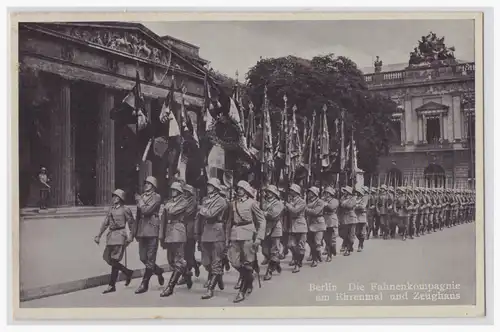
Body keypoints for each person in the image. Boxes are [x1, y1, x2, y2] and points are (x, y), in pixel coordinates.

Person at [228, 180, 266, 303]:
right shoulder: (232, 204)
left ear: (246, 191)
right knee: (234, 261)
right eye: (238, 188)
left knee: (247, 264)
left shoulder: (252, 203)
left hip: (248, 234)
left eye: (241, 189)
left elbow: (262, 221)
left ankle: (242, 292)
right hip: (235, 234)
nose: (238, 190)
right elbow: (229, 222)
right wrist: (226, 237)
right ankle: (249, 278)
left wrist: (259, 238)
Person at [94, 189, 134, 294]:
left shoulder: (125, 209)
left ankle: (112, 285)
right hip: (111, 236)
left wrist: (131, 236)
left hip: (120, 235)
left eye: (116, 197)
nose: (113, 198)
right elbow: (105, 223)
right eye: (113, 196)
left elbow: (131, 223)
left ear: (120, 199)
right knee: (107, 257)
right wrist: (99, 235)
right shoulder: (110, 210)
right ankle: (127, 272)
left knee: (114, 260)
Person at [195, 177, 229, 300]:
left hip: (217, 231)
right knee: (205, 262)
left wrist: (200, 209)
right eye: (208, 185)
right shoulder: (205, 200)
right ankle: (217, 276)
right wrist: (197, 233)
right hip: (206, 231)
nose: (208, 187)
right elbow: (200, 218)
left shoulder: (221, 201)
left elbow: (210, 213)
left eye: (210, 186)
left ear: (216, 188)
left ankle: (210, 289)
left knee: (216, 261)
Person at [158, 182, 191, 297]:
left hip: (178, 231)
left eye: (175, 190)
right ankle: (186, 273)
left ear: (180, 192)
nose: (173, 192)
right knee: (171, 260)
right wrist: (161, 235)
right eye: (172, 190)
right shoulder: (169, 202)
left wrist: (167, 206)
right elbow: (163, 218)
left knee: (178, 260)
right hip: (169, 232)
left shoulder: (184, 202)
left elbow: (172, 211)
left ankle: (170, 287)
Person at [133, 176, 164, 294]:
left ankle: (144, 284)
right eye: (146, 183)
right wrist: (135, 231)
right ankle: (158, 270)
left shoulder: (156, 197)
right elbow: (138, 215)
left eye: (149, 183)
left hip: (152, 229)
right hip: (142, 230)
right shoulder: (141, 197)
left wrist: (140, 202)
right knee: (143, 257)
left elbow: (146, 211)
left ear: (154, 186)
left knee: (150, 258)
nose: (146, 185)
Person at [177, 184, 201, 286]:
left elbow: (187, 213)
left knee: (188, 252)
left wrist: (178, 208)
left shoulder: (193, 201)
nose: (184, 194)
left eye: (187, 192)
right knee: (184, 253)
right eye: (184, 192)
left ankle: (186, 274)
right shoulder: (182, 200)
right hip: (182, 228)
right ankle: (194, 265)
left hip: (190, 229)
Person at [261, 185, 284, 281]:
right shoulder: (265, 202)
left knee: (274, 250)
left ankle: (269, 271)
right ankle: (276, 263)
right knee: (265, 250)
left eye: (270, 192)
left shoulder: (278, 203)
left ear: (275, 194)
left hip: (275, 228)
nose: (268, 193)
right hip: (266, 227)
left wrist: (263, 213)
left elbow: (273, 215)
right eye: (267, 192)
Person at [285, 184, 307, 273]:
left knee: (300, 246)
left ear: (296, 192)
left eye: (292, 190)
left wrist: (288, 205)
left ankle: (298, 263)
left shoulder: (302, 201)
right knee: (290, 245)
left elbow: (295, 211)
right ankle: (296, 259)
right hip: (292, 225)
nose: (290, 192)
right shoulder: (290, 201)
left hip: (300, 225)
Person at [305, 186, 326, 267]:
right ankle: (316, 254)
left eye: (310, 192)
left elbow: (316, 212)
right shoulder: (309, 201)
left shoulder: (320, 202)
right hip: (310, 223)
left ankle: (315, 260)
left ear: (314, 193)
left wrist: (305, 209)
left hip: (318, 223)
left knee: (317, 242)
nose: (309, 194)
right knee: (310, 241)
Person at [339, 186, 357, 256]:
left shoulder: (353, 198)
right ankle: (347, 245)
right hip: (344, 217)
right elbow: (340, 204)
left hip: (351, 218)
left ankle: (348, 249)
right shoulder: (343, 197)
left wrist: (344, 204)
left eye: (346, 191)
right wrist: (344, 203)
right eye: (344, 191)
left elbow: (350, 206)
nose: (344, 192)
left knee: (351, 235)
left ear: (349, 192)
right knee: (343, 234)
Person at [322, 186, 339, 261]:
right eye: (325, 192)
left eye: (328, 193)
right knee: (326, 238)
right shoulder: (323, 200)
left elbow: (331, 207)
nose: (326, 194)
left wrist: (325, 204)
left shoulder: (335, 200)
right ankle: (330, 252)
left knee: (331, 238)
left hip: (331, 219)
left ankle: (331, 252)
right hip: (324, 219)